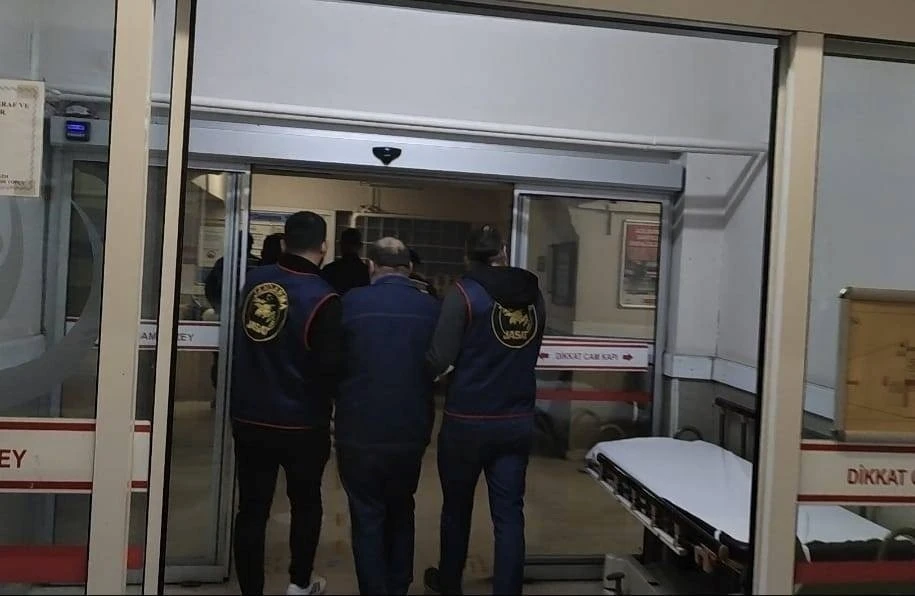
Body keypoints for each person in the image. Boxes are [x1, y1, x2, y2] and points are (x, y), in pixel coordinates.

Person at [423, 225, 546, 596]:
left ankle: (450, 583)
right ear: (503, 251)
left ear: (468, 256)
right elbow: (532, 349)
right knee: (509, 515)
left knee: (456, 509)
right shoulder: (534, 295)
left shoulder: (463, 293)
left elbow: (439, 359)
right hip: (516, 419)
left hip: (467, 421)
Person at [231, 211, 344, 596]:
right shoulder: (324, 297)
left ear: (284, 242)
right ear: (323, 246)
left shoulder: (253, 282)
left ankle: (251, 590)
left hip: (250, 416)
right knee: (305, 504)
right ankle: (298, 584)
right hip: (302, 423)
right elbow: (330, 368)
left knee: (252, 509)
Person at [336, 237, 441, 595]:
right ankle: (398, 586)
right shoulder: (431, 308)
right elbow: (441, 364)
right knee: (401, 506)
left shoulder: (350, 303)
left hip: (358, 427)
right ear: (409, 269)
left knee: (366, 513)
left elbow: (333, 360)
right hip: (410, 427)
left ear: (371, 266)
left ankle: (373, 588)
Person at [321, 227, 370, 295]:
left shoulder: (329, 269)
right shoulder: (366, 272)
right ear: (360, 246)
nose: (349, 246)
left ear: (340, 245)